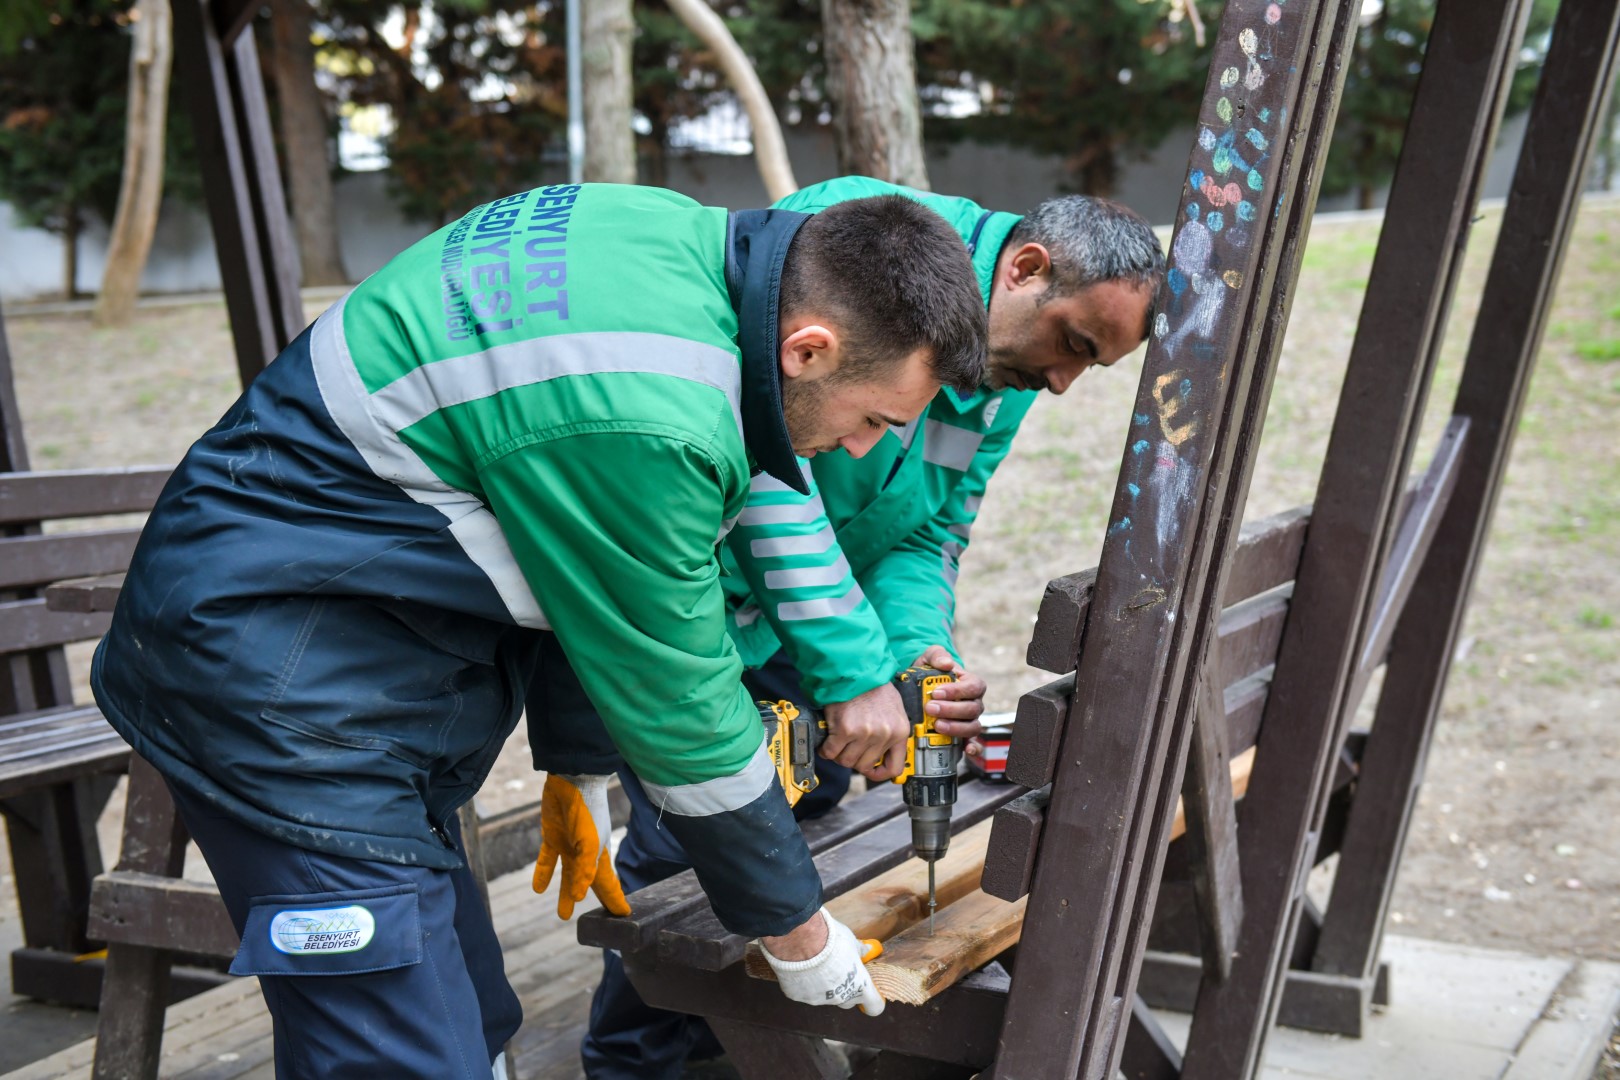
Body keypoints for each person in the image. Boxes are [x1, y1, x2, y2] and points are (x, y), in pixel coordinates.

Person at [89, 183, 989, 1079]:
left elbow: (570, 548)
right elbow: (680, 702)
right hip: (269, 681)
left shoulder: (671, 245)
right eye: (875, 419)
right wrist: (796, 933)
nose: (866, 449)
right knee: (399, 1058)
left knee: (475, 1017)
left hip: (358, 660)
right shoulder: (659, 410)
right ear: (808, 348)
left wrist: (579, 757)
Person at [530, 177, 1167, 1079]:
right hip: (709, 616)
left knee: (811, 810)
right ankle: (632, 1063)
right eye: (1071, 344)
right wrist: (858, 669)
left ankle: (729, 1044)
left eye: (1088, 366)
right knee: (690, 856)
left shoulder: (1002, 372)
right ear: (1026, 268)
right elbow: (767, 477)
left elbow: (928, 530)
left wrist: (914, 652)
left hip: (831, 644)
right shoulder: (865, 248)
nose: (1062, 383)